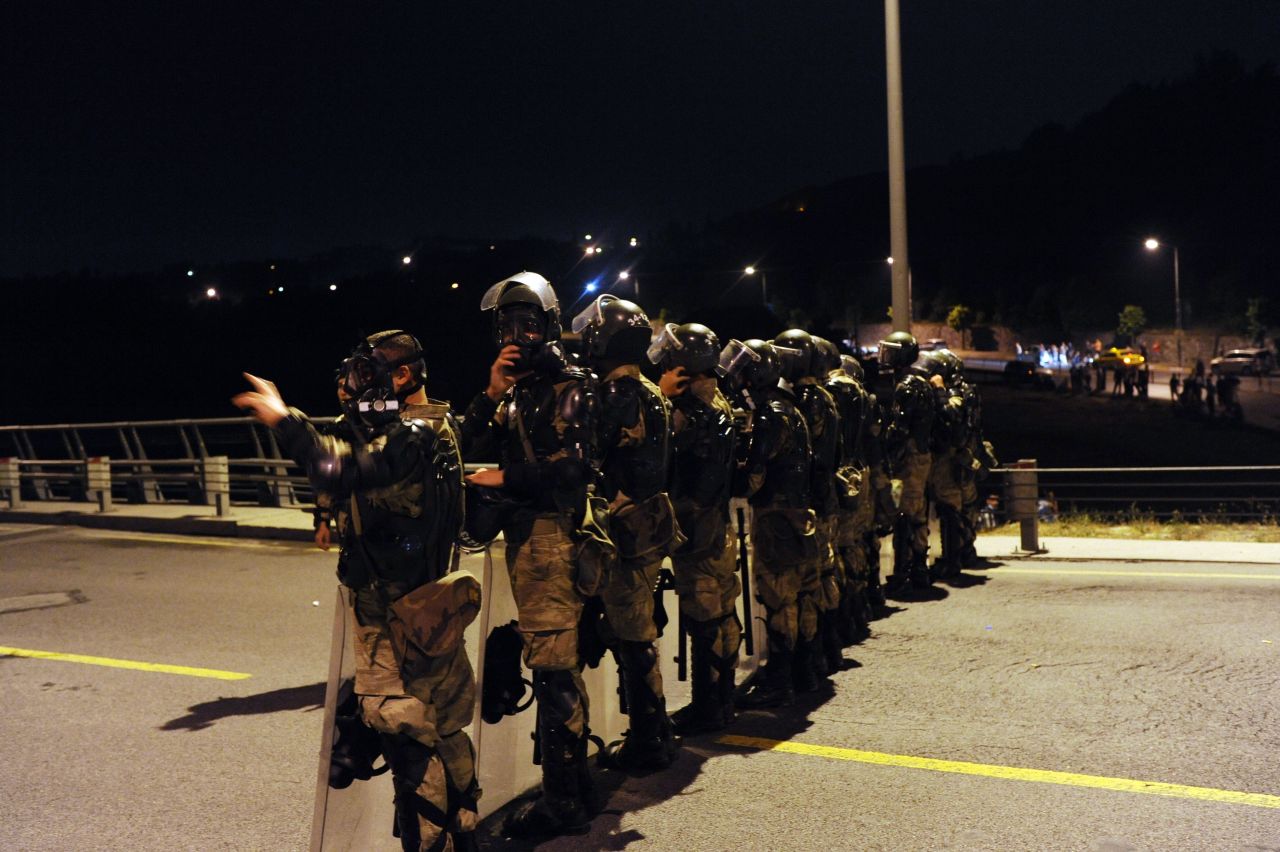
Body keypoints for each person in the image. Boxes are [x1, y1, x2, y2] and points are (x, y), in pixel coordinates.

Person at [234, 331, 480, 852]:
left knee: (406, 734)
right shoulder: (437, 423)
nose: (356, 385)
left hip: (392, 610)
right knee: (445, 726)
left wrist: (283, 420)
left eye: (368, 373)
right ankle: (466, 834)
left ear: (403, 375)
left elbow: (336, 466)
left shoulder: (411, 436)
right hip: (432, 603)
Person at [458, 272, 601, 838]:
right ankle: (578, 789)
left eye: (529, 326)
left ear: (551, 326)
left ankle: (562, 804)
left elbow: (574, 469)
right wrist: (491, 392)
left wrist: (505, 477)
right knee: (554, 666)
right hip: (528, 538)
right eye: (508, 327)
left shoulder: (570, 384)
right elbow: (466, 446)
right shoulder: (517, 391)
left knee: (553, 671)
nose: (518, 337)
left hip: (552, 537)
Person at [571, 294, 682, 771]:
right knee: (638, 633)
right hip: (649, 523)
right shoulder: (650, 390)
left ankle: (648, 740)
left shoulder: (616, 396)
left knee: (633, 636)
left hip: (624, 529)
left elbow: (588, 458)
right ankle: (655, 730)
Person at [650, 321, 742, 735]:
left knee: (704, 619)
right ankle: (724, 700)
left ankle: (708, 708)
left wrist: (662, 396)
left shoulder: (685, 410)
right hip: (718, 522)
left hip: (693, 525)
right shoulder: (718, 398)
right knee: (723, 611)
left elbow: (655, 448)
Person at [721, 338, 814, 709]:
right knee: (792, 595)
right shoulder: (789, 407)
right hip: (794, 512)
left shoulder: (769, 414)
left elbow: (755, 475)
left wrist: (730, 481)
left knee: (777, 597)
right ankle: (799, 673)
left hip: (776, 516)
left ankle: (780, 681)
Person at [775, 329, 850, 681]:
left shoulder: (806, 400)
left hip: (812, 502)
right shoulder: (825, 396)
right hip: (827, 497)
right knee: (823, 574)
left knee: (806, 584)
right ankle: (827, 651)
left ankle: (810, 661)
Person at [814, 337, 875, 644]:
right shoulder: (859, 392)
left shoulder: (832, 392)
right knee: (854, 544)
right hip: (857, 472)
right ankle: (858, 611)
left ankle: (843, 620)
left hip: (840, 477)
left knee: (837, 551)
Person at [877, 332, 940, 595]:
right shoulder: (922, 383)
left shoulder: (906, 386)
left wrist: (884, 447)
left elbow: (899, 428)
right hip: (921, 456)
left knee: (904, 514)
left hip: (908, 459)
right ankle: (918, 570)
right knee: (917, 512)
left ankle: (904, 573)